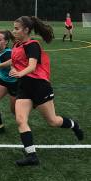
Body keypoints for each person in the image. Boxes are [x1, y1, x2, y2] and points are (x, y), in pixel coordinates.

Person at [9, 16, 83, 166]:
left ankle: (74, 125)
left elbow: (32, 66)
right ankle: (32, 156)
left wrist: (19, 73)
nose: (14, 31)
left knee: (53, 121)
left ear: (26, 30)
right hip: (24, 87)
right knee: (20, 120)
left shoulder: (33, 45)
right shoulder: (17, 45)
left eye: (16, 29)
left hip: (39, 86)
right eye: (13, 28)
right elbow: (14, 62)